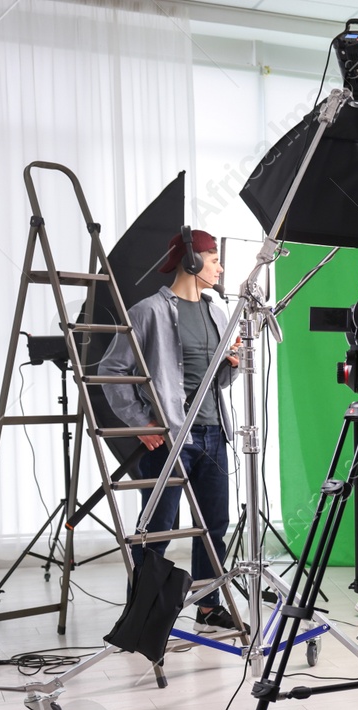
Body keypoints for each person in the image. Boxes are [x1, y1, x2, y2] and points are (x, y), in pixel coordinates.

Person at [99, 228, 240, 631]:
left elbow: (211, 381)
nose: (220, 267)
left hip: (214, 434)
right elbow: (111, 372)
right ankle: (142, 614)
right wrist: (140, 421)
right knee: (158, 527)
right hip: (171, 440)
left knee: (214, 525)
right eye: (214, 260)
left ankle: (208, 604)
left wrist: (228, 366)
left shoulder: (216, 311)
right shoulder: (149, 312)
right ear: (192, 261)